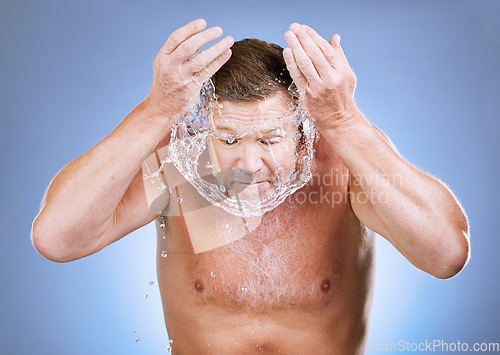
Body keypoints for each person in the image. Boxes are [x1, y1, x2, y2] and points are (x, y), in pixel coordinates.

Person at [31, 19, 470, 354]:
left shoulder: (341, 163)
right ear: (205, 131)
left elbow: (446, 254)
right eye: (227, 139)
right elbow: (57, 238)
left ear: (303, 132)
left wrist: (344, 120)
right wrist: (156, 110)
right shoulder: (187, 164)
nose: (248, 164)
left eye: (270, 139)